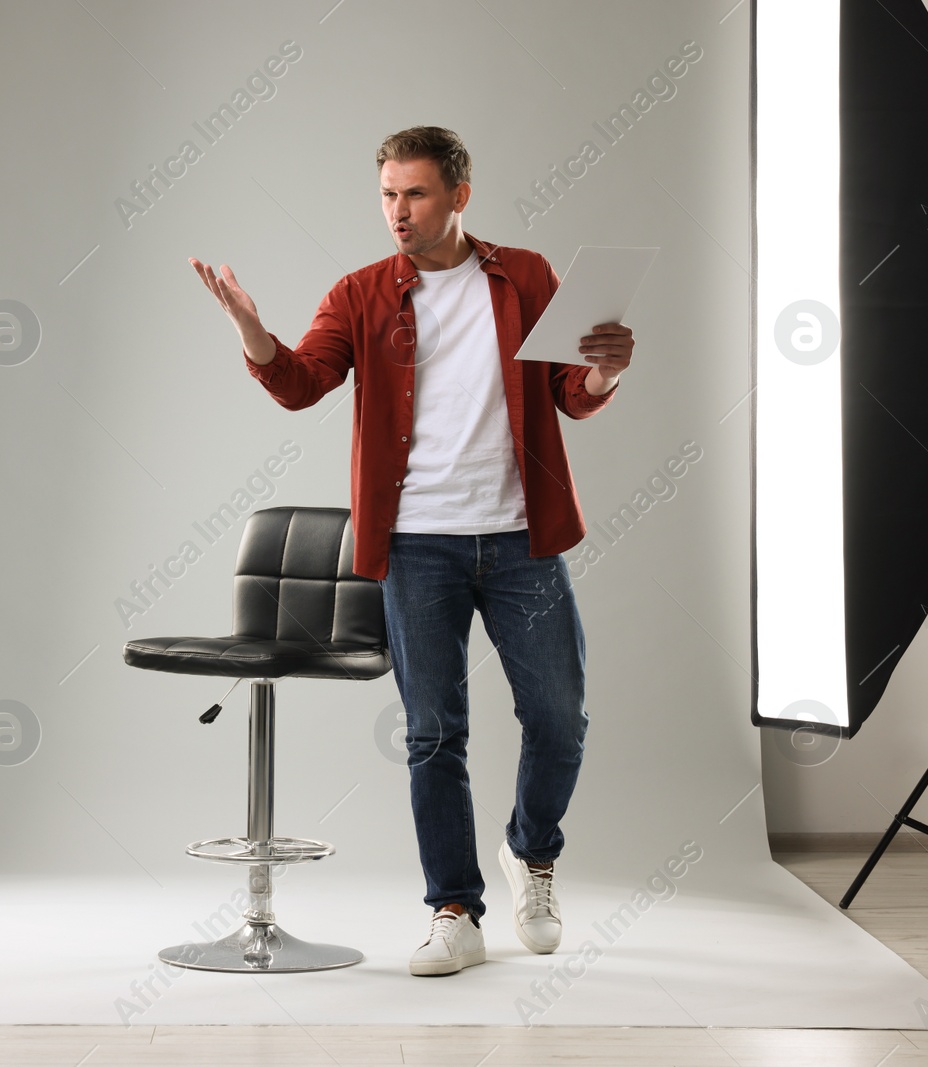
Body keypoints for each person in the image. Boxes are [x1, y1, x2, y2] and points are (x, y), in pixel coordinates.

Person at [189, 125, 633, 977]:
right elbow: (301, 382)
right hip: (417, 546)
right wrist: (254, 332)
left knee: (559, 719)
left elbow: (570, 395)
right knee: (434, 733)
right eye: (388, 194)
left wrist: (606, 372)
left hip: (521, 538)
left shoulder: (528, 276)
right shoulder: (360, 293)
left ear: (459, 195)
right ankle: (454, 909)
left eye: (416, 193)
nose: (398, 211)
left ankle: (531, 854)